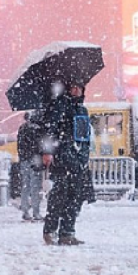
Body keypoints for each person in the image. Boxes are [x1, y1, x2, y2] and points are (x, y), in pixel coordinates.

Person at [39, 81, 95, 246]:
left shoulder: (82, 110)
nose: (77, 90)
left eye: (80, 87)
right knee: (59, 196)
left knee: (75, 197)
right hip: (63, 157)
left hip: (78, 159)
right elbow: (49, 129)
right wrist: (47, 151)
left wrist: (84, 155)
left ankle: (67, 232)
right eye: (74, 87)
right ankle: (50, 230)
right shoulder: (59, 106)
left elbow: (85, 137)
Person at [17, 111, 44, 222]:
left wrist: (22, 157)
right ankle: (36, 212)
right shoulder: (37, 128)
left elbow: (19, 145)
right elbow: (39, 145)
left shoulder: (22, 128)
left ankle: (25, 211)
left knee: (25, 185)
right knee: (35, 186)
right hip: (35, 159)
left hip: (24, 159)